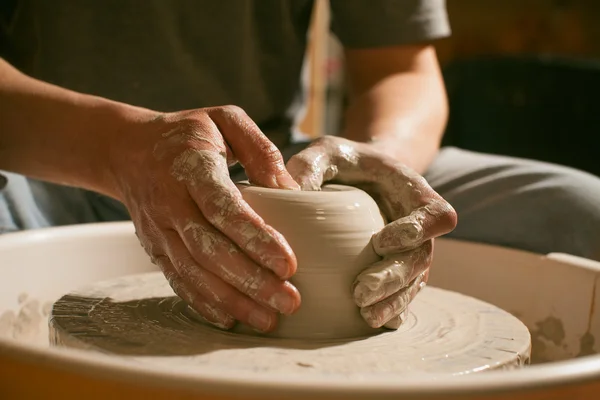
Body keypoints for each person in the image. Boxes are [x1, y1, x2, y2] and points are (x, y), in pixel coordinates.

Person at [1, 1, 598, 334]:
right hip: (46, 162)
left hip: (275, 169)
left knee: (578, 216)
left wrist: (368, 168)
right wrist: (118, 149)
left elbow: (402, 69)